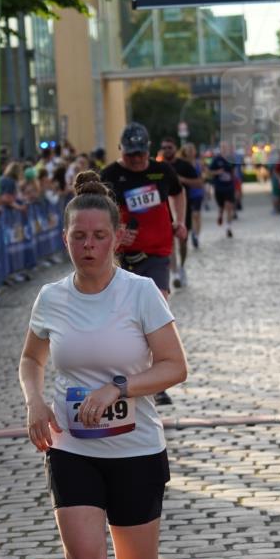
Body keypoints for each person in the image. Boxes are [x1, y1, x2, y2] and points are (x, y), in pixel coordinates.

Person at [18, 173, 188, 559]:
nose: (87, 245)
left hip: (136, 448)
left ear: (117, 237)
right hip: (71, 447)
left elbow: (174, 366)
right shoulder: (51, 298)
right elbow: (30, 360)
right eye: (77, 236)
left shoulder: (139, 292)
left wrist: (119, 386)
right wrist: (35, 402)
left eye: (97, 235)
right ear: (65, 239)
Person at [101, 122, 186, 406]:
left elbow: (178, 191)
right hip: (121, 257)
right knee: (125, 319)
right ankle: (124, 374)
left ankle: (156, 381)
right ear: (120, 150)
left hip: (156, 253)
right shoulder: (110, 176)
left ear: (148, 150)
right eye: (130, 155)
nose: (136, 160)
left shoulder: (162, 171)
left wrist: (180, 221)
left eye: (140, 154)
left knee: (157, 310)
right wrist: (116, 233)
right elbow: (93, 214)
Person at [159, 136, 197, 289]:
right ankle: (174, 273)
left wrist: (181, 180)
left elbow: (199, 182)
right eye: (164, 147)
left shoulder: (184, 165)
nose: (167, 150)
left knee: (182, 241)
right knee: (170, 243)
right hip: (164, 209)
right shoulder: (158, 167)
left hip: (182, 207)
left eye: (170, 147)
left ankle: (182, 267)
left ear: (175, 148)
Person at [180, 142, 206, 249]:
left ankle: (196, 235)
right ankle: (191, 233)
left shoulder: (198, 163)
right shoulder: (182, 164)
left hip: (197, 193)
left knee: (196, 214)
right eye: (188, 150)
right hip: (186, 193)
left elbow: (204, 175)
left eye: (192, 149)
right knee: (189, 216)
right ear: (184, 152)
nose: (190, 152)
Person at [208, 141, 237, 238]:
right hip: (219, 186)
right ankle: (220, 215)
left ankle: (228, 228)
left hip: (229, 186)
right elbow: (210, 171)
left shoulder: (231, 159)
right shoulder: (216, 159)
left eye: (226, 147)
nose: (224, 149)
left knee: (229, 206)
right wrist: (218, 172)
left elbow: (233, 172)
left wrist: (235, 184)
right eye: (222, 147)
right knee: (221, 207)